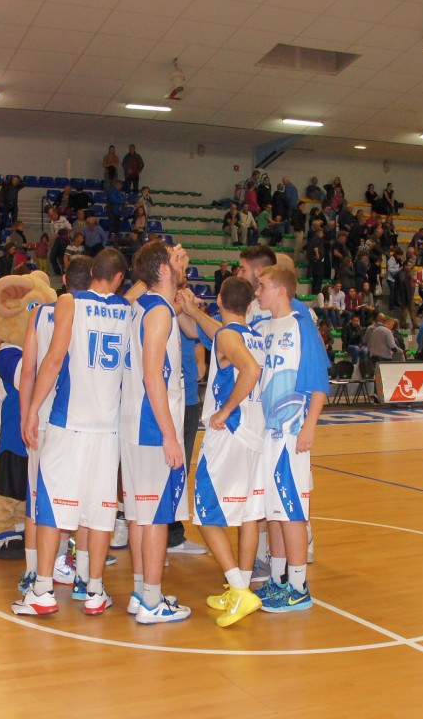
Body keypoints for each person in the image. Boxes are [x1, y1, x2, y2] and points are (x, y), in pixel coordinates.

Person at [16, 249, 129, 618]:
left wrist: (32, 409)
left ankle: (43, 589)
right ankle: (94, 590)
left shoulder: (69, 302)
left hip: (69, 422)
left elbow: (53, 359)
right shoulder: (127, 309)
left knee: (52, 507)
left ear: (91, 270)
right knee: (99, 515)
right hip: (108, 429)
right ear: (118, 279)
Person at [175, 276, 265, 625]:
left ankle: (238, 588)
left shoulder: (228, 337)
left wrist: (225, 410)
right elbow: (209, 331)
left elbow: (251, 370)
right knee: (248, 515)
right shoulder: (250, 334)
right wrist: (190, 310)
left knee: (206, 514)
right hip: (254, 435)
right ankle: (242, 586)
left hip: (229, 433)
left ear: (221, 301)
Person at [115, 242, 191, 624]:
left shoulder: (141, 305)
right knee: (156, 517)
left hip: (134, 423)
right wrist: (170, 435)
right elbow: (152, 376)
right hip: (152, 426)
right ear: (162, 269)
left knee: (139, 516)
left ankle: (141, 591)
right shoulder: (159, 311)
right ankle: (151, 601)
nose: (182, 260)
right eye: (175, 258)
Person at [250, 264, 328, 611]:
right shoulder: (265, 327)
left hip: (292, 433)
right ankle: (278, 579)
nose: (257, 292)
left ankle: (298, 587)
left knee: (291, 510)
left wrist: (309, 426)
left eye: (262, 286)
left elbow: (318, 383)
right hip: (268, 433)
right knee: (275, 512)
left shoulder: (302, 326)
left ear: (280, 290)